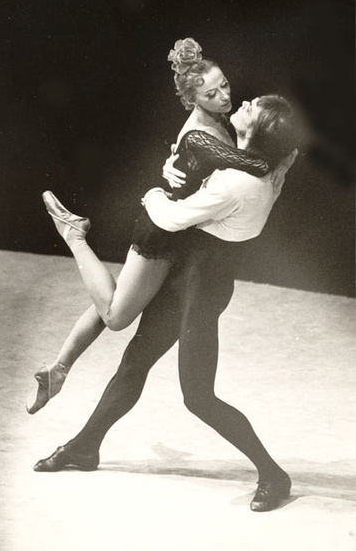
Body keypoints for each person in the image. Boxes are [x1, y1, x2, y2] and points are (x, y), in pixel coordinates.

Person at [33, 93, 298, 513]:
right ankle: (84, 447)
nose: (244, 101)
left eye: (253, 107)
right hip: (188, 275)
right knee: (135, 363)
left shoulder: (240, 182)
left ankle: (274, 475)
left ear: (258, 132)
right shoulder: (255, 168)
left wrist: (154, 190)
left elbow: (171, 218)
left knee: (198, 397)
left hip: (202, 287)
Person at [27, 38, 270, 414]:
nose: (224, 96)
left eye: (224, 84)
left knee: (118, 299)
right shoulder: (200, 136)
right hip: (161, 235)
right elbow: (255, 164)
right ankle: (75, 236)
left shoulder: (217, 120)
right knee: (116, 316)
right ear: (194, 100)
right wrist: (276, 156)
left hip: (181, 230)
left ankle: (58, 370)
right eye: (212, 93)